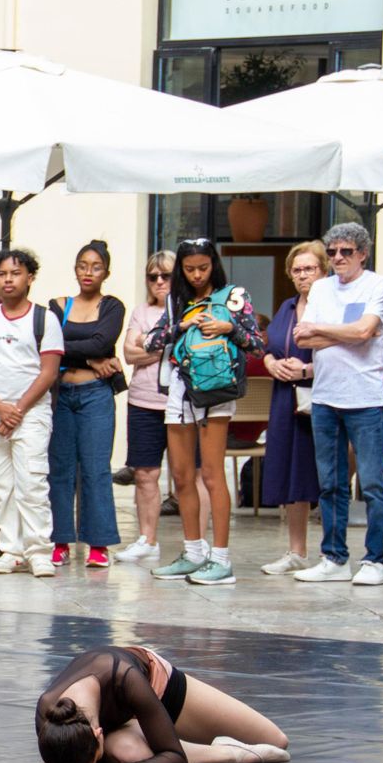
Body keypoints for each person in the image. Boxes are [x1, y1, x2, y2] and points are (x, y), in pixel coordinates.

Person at [146, 238, 264, 586]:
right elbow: (151, 342)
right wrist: (180, 326)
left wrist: (230, 328)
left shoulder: (234, 296)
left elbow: (257, 345)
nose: (197, 275)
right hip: (180, 388)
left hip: (217, 388)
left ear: (214, 265)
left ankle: (221, 559)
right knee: (182, 475)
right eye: (189, 269)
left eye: (203, 268)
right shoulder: (176, 302)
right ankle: (193, 552)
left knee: (212, 474)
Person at [293, 223, 383, 587]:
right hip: (324, 398)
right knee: (330, 484)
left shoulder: (377, 284)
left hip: (364, 398)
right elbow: (303, 337)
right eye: (332, 251)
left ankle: (375, 560)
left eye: (346, 251)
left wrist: (328, 330)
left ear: (362, 254)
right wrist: (349, 334)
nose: (337, 258)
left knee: (372, 484)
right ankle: (334, 558)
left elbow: (365, 331)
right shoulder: (321, 287)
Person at [33, 646, 290, 763]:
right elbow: (67, 748)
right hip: (117, 724)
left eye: (99, 761)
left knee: (275, 740)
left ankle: (229, 752)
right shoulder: (48, 713)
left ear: (99, 734)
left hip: (156, 687)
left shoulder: (125, 678)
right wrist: (60, 753)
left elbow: (174, 758)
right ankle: (230, 753)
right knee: (131, 753)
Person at [0, 249, 63, 578]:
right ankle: (11, 549)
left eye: (15, 273)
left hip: (31, 414)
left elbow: (48, 372)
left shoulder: (45, 319)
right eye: (1, 274)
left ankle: (39, 550)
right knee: (1, 485)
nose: (8, 280)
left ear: (30, 278)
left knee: (32, 483)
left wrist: (17, 410)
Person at [47, 241, 126, 568]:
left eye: (96, 267)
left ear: (106, 272)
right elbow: (48, 343)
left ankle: (98, 544)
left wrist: (87, 353)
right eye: (82, 265)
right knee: (59, 469)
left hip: (96, 394)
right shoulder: (58, 305)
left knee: (96, 469)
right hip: (61, 395)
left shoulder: (112, 306)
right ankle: (59, 540)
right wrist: (92, 358)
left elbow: (102, 342)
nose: (88, 272)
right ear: (75, 269)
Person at [260, 242, 327, 576]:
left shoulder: (331, 305)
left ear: (324, 271)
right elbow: (268, 348)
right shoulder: (287, 306)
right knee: (290, 470)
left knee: (324, 472)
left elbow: (344, 350)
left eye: (309, 269)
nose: (303, 275)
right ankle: (296, 550)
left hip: (322, 396)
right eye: (297, 270)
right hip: (286, 397)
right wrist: (271, 364)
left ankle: (333, 552)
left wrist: (307, 370)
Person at [115, 251, 175, 563]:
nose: (159, 282)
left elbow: (184, 352)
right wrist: (165, 348)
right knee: (144, 473)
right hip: (143, 402)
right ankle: (147, 540)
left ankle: (199, 544)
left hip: (181, 404)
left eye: (166, 275)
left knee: (191, 475)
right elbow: (129, 355)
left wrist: (147, 344)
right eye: (153, 277)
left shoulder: (188, 311)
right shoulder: (141, 311)